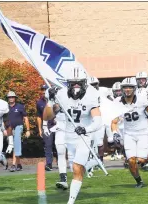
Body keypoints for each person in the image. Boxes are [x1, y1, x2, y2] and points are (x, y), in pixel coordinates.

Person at [43, 65, 102, 204]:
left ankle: (71, 201)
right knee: (75, 168)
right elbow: (48, 117)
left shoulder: (91, 94)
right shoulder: (62, 94)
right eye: (72, 83)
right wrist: (50, 101)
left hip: (84, 135)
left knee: (76, 168)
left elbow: (98, 120)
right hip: (69, 136)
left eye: (78, 83)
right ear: (67, 83)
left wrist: (86, 129)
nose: (75, 86)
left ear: (84, 83)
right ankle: (91, 163)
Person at [111, 77, 148, 188]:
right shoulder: (117, 102)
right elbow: (114, 121)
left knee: (142, 159)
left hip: (142, 133)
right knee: (131, 161)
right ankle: (139, 181)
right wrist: (115, 133)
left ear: (134, 88)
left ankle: (145, 160)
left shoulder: (141, 100)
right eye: (125, 87)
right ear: (122, 89)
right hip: (128, 134)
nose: (127, 89)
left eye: (130, 87)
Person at [7, 91, 30, 172]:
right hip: (9, 128)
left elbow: (26, 118)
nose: (11, 98)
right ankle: (19, 164)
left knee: (16, 142)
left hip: (18, 126)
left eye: (12, 97)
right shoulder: (6, 107)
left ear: (15, 98)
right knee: (12, 144)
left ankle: (13, 165)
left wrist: (28, 130)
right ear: (8, 98)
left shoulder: (20, 106)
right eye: (9, 97)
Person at [36, 85, 56, 171]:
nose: (43, 91)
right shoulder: (39, 102)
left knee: (58, 144)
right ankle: (49, 163)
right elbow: (39, 116)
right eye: (42, 89)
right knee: (48, 145)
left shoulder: (55, 100)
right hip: (47, 126)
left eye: (45, 90)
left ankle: (61, 162)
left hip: (57, 125)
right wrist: (40, 129)